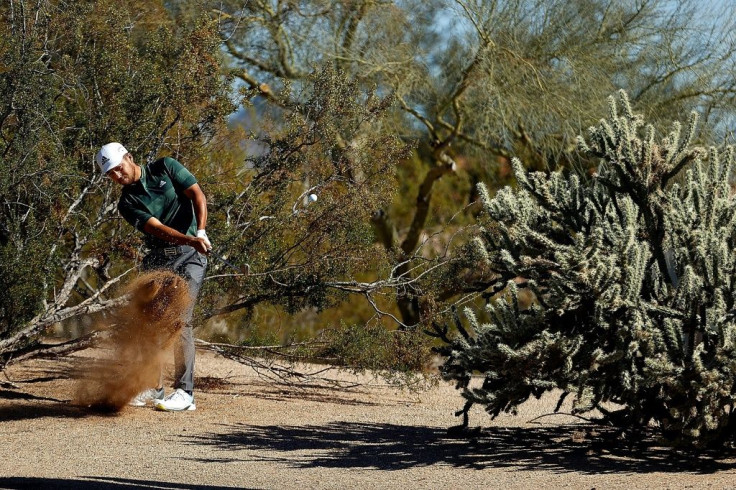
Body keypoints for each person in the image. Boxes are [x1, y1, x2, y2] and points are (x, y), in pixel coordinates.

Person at [96, 142, 212, 412]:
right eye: (110, 174)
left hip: (191, 256)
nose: (117, 176)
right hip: (160, 257)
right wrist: (189, 238)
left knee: (180, 321)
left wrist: (201, 233)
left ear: (129, 157)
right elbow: (157, 229)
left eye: (118, 168)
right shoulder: (127, 203)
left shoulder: (165, 167)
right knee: (150, 320)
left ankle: (185, 393)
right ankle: (154, 386)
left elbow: (197, 195)